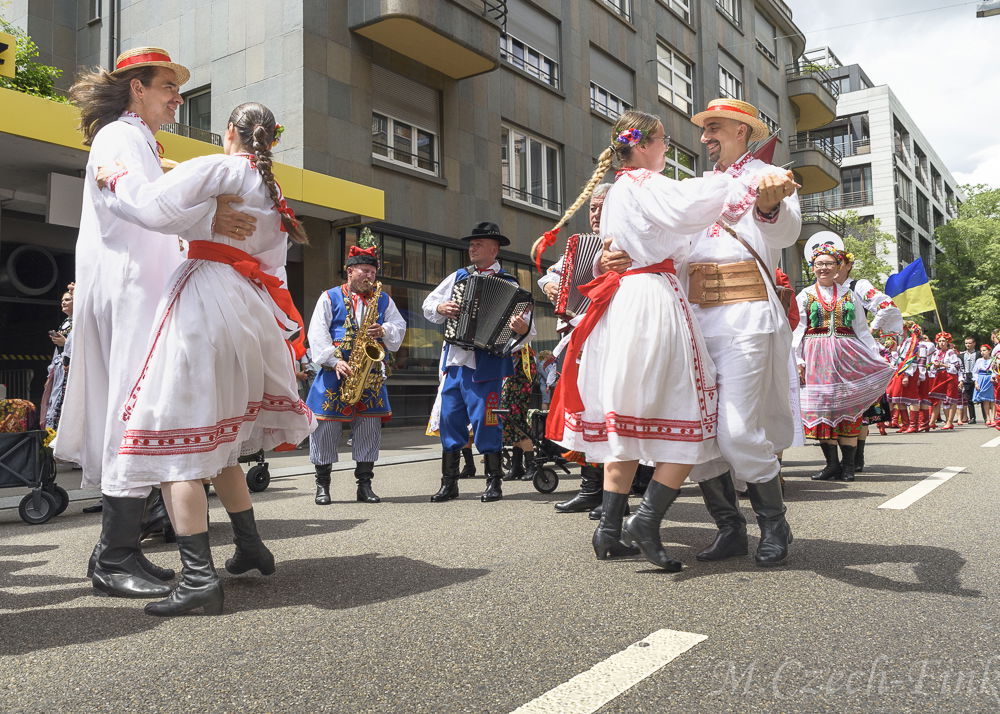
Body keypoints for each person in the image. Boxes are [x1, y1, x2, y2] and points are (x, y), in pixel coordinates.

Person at [93, 101, 315, 616]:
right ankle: (251, 546)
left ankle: (198, 580)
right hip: (246, 308)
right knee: (220, 445)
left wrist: (115, 179)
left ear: (228, 133)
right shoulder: (271, 188)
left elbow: (152, 207)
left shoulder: (223, 166)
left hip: (203, 301)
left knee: (172, 442)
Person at [56, 47, 256, 601]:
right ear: (136, 88)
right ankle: (115, 555)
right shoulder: (118, 139)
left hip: (145, 292)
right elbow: (143, 205)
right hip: (129, 294)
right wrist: (210, 209)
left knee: (141, 412)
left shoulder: (142, 141)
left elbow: (157, 203)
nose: (177, 96)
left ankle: (116, 551)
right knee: (134, 412)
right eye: (167, 84)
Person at [538, 109, 756, 571]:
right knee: (690, 415)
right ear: (642, 144)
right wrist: (739, 178)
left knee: (628, 421)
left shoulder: (619, 190)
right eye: (663, 141)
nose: (667, 149)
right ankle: (648, 519)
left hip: (623, 303)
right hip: (654, 300)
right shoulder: (643, 183)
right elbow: (691, 204)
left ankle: (608, 531)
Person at [593, 99, 801, 566]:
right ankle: (730, 527)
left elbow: (786, 233)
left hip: (745, 316)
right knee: (701, 428)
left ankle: (775, 524)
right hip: (690, 317)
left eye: (715, 128)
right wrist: (615, 256)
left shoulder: (766, 177)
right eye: (704, 129)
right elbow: (666, 245)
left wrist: (770, 205)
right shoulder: (694, 187)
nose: (705, 137)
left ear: (743, 132)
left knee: (736, 431)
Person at [423, 222, 533, 503]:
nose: (472, 248)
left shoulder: (510, 283)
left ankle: (493, 481)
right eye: (471, 244)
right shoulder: (459, 276)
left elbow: (527, 330)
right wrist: (440, 307)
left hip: (488, 365)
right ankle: (450, 483)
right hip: (456, 362)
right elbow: (428, 305)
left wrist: (520, 329)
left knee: (488, 421)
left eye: (478, 244)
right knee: (449, 420)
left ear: (494, 249)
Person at [304, 233, 406, 505]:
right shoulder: (330, 296)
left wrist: (383, 329)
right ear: (350, 271)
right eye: (365, 271)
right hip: (334, 371)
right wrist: (334, 360)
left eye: (373, 272)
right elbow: (317, 334)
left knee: (369, 428)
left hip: (369, 374)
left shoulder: (383, 300)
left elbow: (399, 328)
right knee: (324, 429)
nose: (369, 277)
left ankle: (364, 485)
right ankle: (322, 486)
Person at [537, 185, 612, 516]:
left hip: (613, 336)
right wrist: (549, 285)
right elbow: (551, 275)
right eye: (592, 209)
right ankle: (590, 488)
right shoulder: (581, 245)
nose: (595, 215)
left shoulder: (628, 244)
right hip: (581, 338)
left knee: (610, 412)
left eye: (601, 208)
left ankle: (614, 496)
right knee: (585, 412)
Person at [793, 246, 894, 482]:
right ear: (813, 268)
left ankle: (848, 466)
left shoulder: (850, 295)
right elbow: (798, 331)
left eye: (829, 264)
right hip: (815, 357)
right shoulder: (805, 295)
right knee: (822, 408)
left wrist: (875, 357)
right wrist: (797, 359)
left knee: (848, 409)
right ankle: (831, 465)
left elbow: (861, 329)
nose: (824, 268)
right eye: (819, 264)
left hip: (848, 356)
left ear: (839, 267)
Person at [500, 345, 538, 481]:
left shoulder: (524, 353)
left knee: (519, 426)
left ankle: (531, 466)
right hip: (511, 390)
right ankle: (517, 466)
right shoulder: (518, 353)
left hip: (517, 391)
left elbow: (526, 377)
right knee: (513, 426)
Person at [40, 290, 73, 430]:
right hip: (60, 368)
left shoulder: (81, 321)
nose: (63, 302)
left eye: (67, 299)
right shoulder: (65, 322)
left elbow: (84, 345)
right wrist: (51, 373)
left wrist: (65, 343)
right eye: (62, 300)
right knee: (54, 400)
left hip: (71, 368)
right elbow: (57, 352)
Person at [927, 332, 962, 430]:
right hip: (939, 376)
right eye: (940, 341)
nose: (941, 343)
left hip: (950, 376)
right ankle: (932, 421)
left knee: (951, 399)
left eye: (944, 341)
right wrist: (935, 365)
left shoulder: (951, 352)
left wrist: (943, 365)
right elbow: (932, 367)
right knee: (936, 398)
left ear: (948, 342)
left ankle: (949, 422)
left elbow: (956, 367)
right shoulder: (935, 353)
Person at [973, 344, 996, 425]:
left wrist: (993, 376)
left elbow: (995, 370)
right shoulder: (979, 360)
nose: (982, 352)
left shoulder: (993, 360)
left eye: (984, 350)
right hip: (981, 379)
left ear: (989, 351)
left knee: (992, 400)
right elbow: (975, 372)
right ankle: (987, 418)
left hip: (991, 379)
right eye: (981, 351)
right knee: (985, 400)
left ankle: (993, 418)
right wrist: (976, 382)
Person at [958, 337, 979, 424]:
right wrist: (961, 380)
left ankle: (987, 418)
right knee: (969, 399)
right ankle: (972, 417)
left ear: (974, 343)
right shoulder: (961, 355)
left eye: (970, 343)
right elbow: (960, 368)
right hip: (967, 377)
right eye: (966, 343)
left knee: (981, 398)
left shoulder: (978, 354)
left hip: (976, 376)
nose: (968, 345)